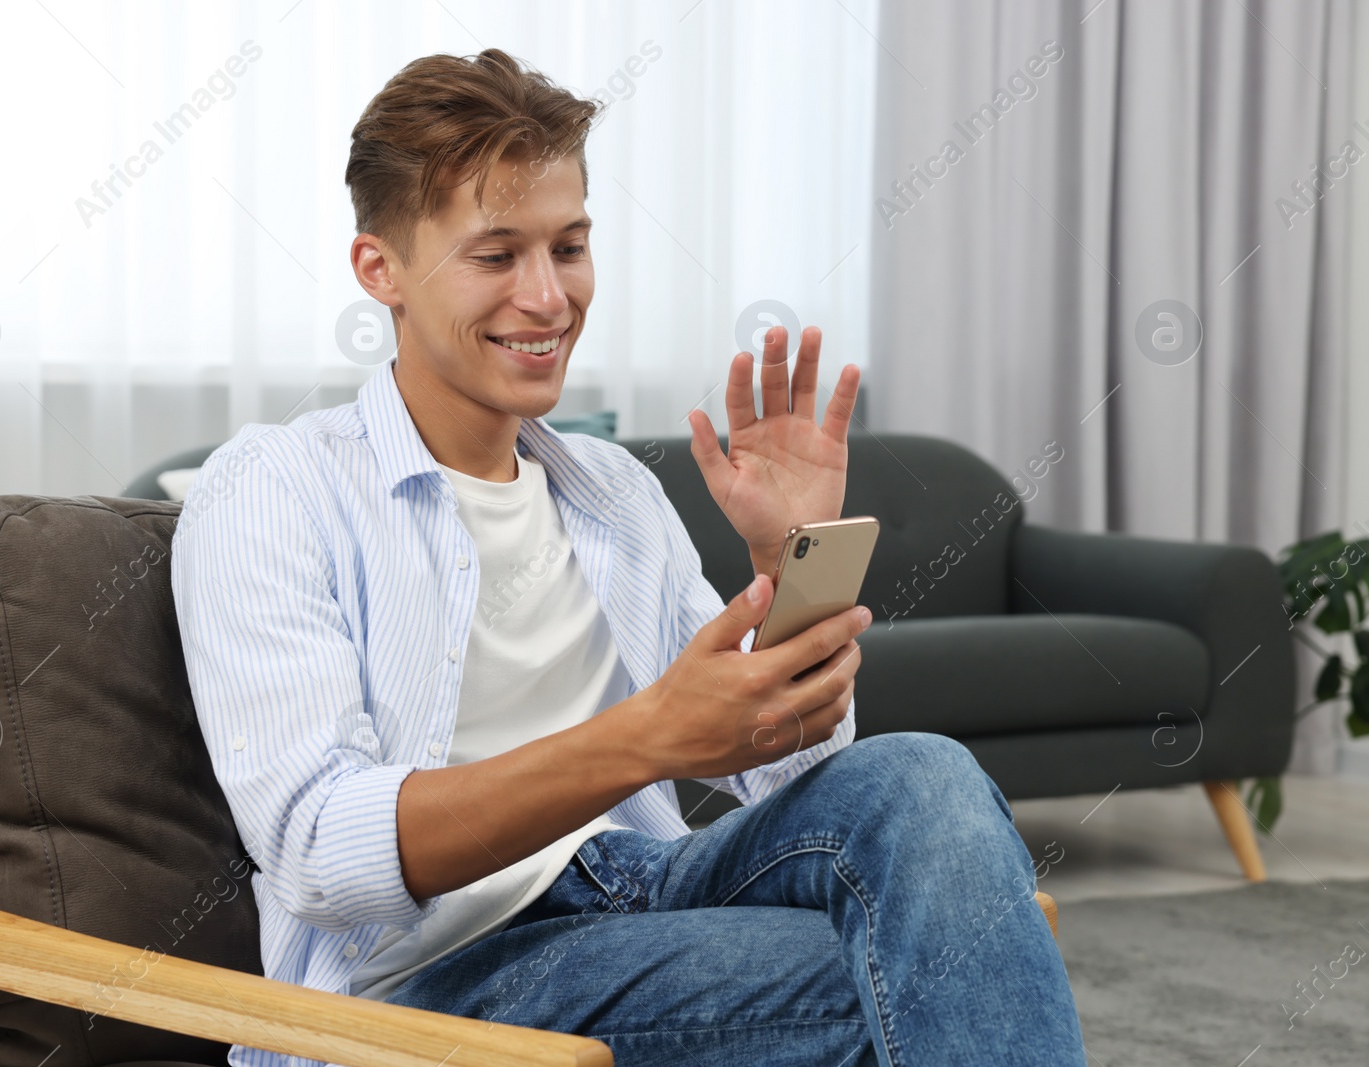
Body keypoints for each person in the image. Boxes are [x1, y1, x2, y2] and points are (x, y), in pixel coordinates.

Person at [170, 47, 1088, 1067]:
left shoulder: (609, 491)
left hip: (642, 891)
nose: (548, 296)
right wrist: (645, 737)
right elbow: (316, 852)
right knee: (936, 965)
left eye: (568, 246)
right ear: (378, 267)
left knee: (921, 779)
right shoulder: (271, 489)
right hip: (431, 980)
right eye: (495, 254)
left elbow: (794, 782)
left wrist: (787, 572)